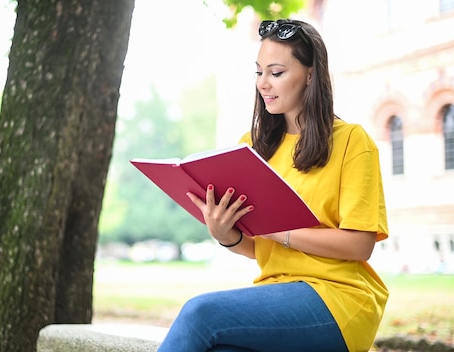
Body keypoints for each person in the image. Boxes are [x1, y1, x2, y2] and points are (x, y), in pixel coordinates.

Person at [157, 18, 389, 352]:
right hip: (276, 294)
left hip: (338, 300)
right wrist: (227, 236)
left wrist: (279, 231)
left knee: (200, 312)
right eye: (258, 72)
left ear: (310, 74)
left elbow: (359, 245)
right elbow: (259, 249)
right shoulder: (250, 148)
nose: (264, 84)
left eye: (276, 73)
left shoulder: (351, 141)